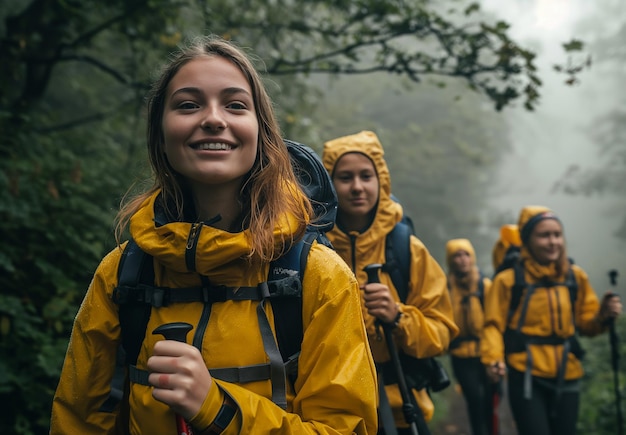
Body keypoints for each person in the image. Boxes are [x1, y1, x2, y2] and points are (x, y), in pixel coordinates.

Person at [50, 36, 378, 435]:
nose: (213, 118)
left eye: (235, 105)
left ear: (262, 133)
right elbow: (77, 422)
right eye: (188, 104)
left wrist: (218, 409)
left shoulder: (319, 276)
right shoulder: (122, 274)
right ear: (160, 133)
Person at [321, 130, 459, 435]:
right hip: (333, 414)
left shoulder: (407, 249)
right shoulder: (313, 248)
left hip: (400, 410)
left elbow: (442, 330)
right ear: (329, 184)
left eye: (366, 176)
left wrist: (398, 316)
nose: (357, 187)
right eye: (345, 177)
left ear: (381, 180)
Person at [481, 205, 623, 435]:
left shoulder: (574, 276)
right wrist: (493, 358)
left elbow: (585, 325)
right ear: (527, 240)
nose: (553, 242)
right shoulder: (508, 281)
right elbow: (493, 326)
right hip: (525, 373)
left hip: (567, 373)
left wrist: (603, 316)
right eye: (544, 235)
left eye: (557, 235)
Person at [445, 238, 495, 435]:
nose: (462, 259)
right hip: (460, 355)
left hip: (486, 352)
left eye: (466, 254)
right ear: (451, 260)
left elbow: (494, 322)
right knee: (474, 399)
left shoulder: (485, 285)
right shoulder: (445, 288)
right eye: (457, 255)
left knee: (490, 401)